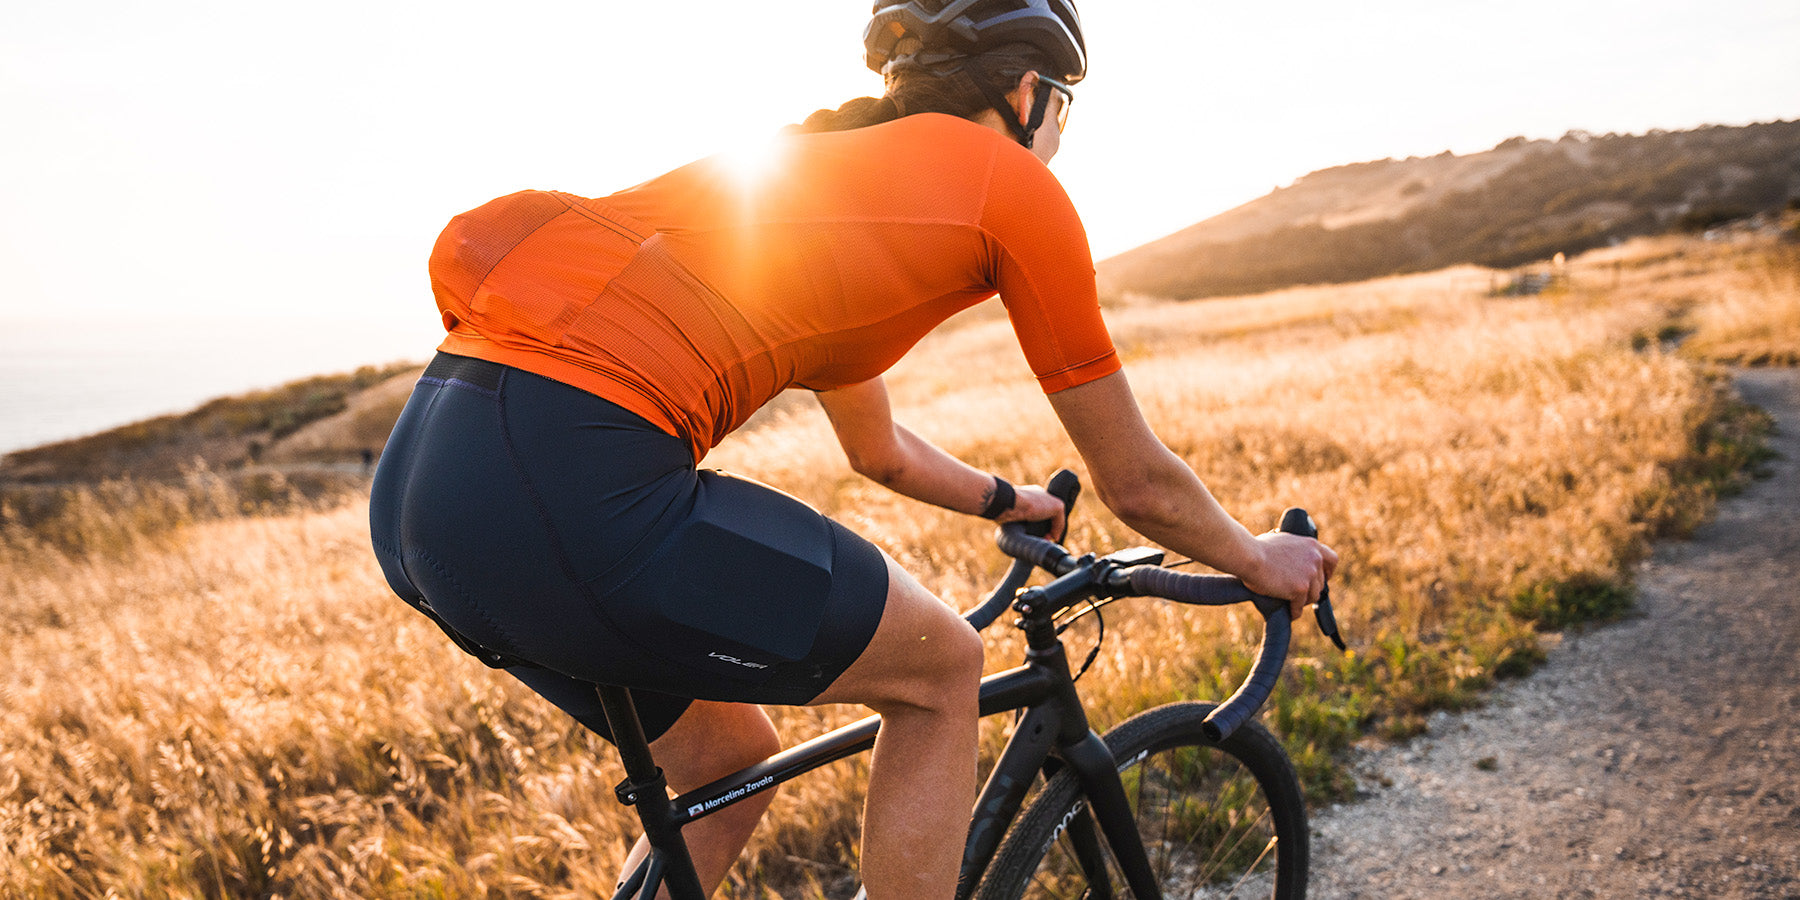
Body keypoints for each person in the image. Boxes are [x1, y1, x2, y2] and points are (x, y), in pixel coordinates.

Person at [369, 1, 1338, 897]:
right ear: (1027, 91)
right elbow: (1139, 484)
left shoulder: (827, 182)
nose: (1062, 130)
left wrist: (1008, 501)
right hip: (568, 479)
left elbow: (878, 452)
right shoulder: (1012, 187)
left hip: (430, 487)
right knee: (941, 671)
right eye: (1066, 106)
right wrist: (1260, 558)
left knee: (722, 762)